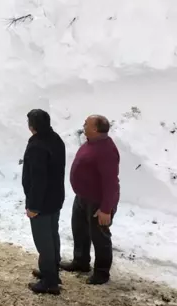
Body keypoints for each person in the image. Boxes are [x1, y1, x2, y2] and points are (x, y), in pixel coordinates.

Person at [60, 114, 120, 285]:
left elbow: (111, 182)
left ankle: (101, 272)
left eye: (86, 123)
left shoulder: (106, 150)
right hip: (82, 198)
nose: (83, 125)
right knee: (79, 231)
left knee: (100, 237)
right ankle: (80, 262)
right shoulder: (91, 143)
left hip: (98, 202)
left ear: (95, 129)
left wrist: (106, 209)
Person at [21, 109, 66, 295]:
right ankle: (53, 270)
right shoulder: (56, 139)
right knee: (52, 235)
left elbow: (38, 179)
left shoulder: (37, 146)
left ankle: (49, 281)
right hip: (55, 198)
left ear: (32, 126)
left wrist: (33, 206)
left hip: (42, 202)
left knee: (44, 240)